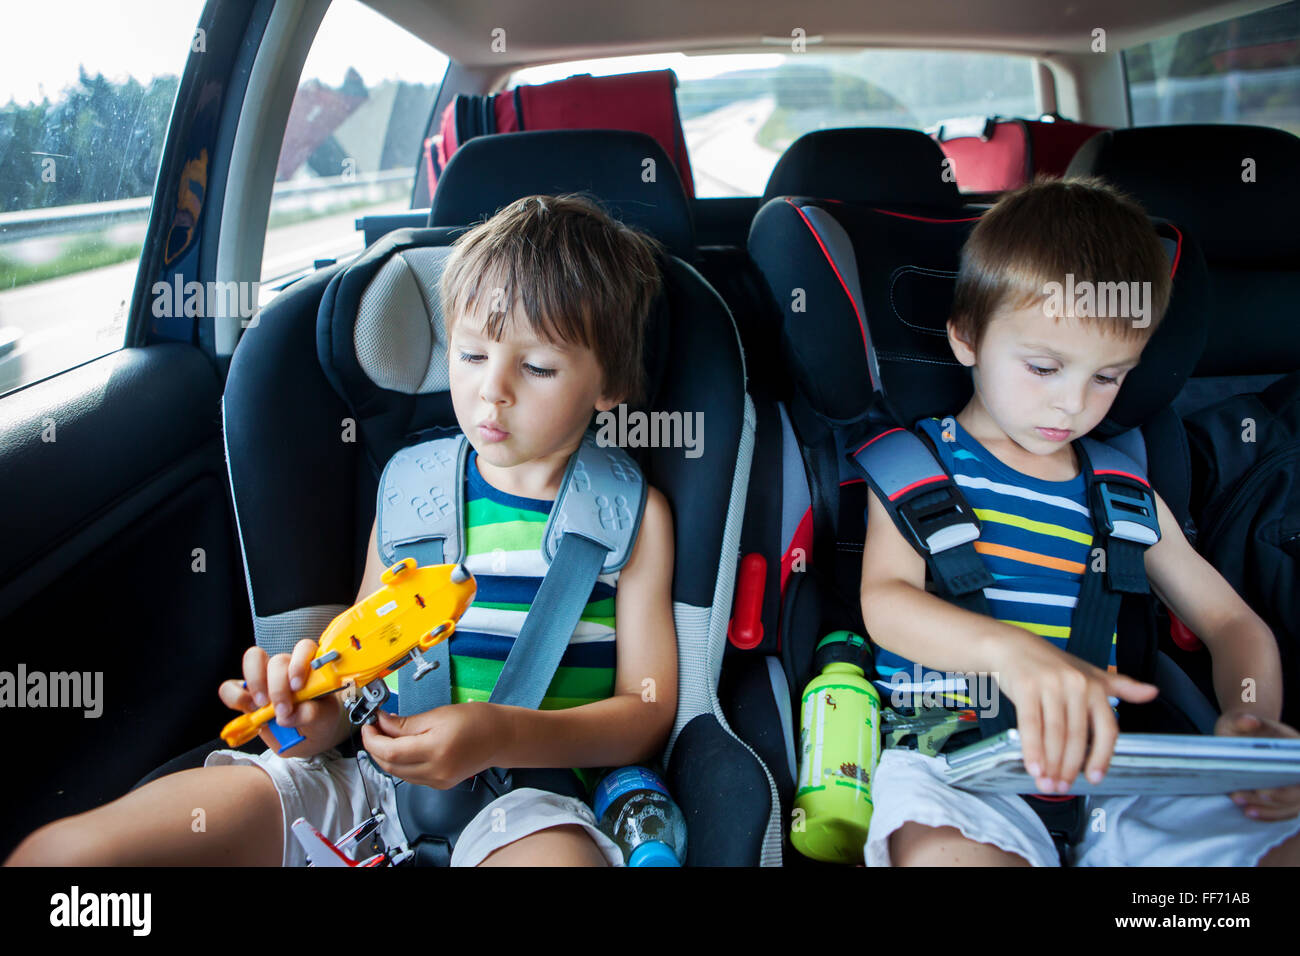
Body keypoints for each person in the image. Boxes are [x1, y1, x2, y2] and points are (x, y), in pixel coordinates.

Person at [5, 193, 678, 867]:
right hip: (365, 783)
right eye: (471, 354)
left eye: (537, 367)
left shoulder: (631, 517)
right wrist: (304, 716)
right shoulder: (414, 494)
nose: (492, 391)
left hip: (533, 802)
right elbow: (364, 676)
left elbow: (645, 716)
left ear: (609, 384)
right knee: (65, 855)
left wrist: (500, 735)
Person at [858, 176, 1300, 867]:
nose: (1070, 406)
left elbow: (1233, 625)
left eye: (1107, 377)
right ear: (967, 337)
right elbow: (886, 603)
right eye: (1043, 367)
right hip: (952, 774)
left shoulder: (1125, 497)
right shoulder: (919, 471)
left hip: (1108, 781)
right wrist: (1011, 653)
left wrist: (1250, 718)